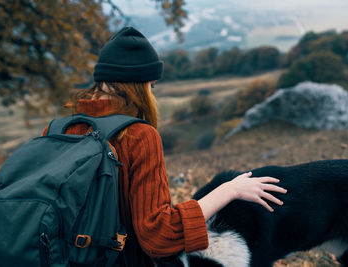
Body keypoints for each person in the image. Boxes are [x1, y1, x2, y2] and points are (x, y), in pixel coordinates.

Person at [44, 27, 287, 266]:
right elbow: (158, 236)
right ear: (140, 86)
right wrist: (229, 190)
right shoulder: (139, 136)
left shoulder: (56, 130)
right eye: (152, 86)